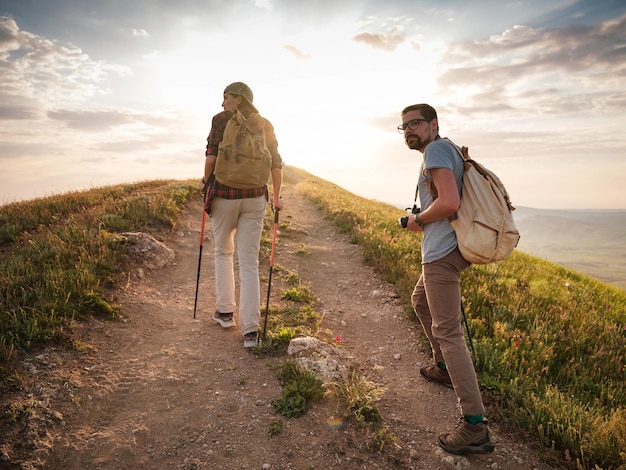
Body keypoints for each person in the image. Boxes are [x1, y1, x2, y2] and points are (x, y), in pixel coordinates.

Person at [398, 103, 495, 455]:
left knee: (448, 332)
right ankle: (441, 367)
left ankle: (474, 426)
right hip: (455, 248)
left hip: (441, 253)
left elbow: (449, 202)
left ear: (433, 123)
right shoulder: (448, 147)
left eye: (415, 123)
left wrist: (417, 221)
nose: (408, 130)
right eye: (403, 126)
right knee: (420, 300)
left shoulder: (437, 149)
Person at [200, 82, 284, 348]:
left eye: (225, 98)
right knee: (248, 262)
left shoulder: (221, 120)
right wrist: (278, 197)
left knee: (223, 252)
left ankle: (225, 313)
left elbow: (212, 156)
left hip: (225, 196)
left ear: (237, 99)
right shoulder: (265, 124)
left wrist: (204, 181)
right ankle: (250, 331)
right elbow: (276, 162)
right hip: (255, 198)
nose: (222, 103)